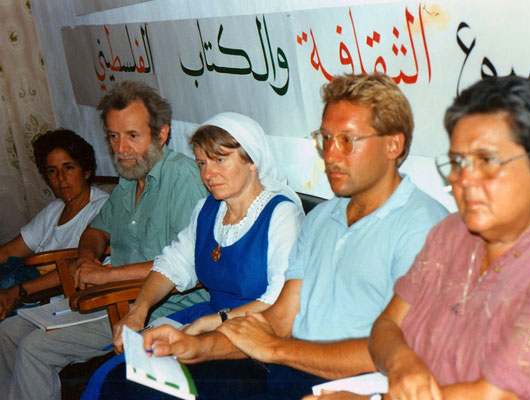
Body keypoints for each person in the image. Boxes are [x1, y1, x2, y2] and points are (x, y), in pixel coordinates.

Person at [107, 73, 448, 400]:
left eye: (347, 141)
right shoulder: (323, 220)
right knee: (127, 384)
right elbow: (281, 318)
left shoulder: (425, 227)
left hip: (353, 385)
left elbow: (403, 346)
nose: (329, 155)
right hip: (288, 368)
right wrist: (198, 346)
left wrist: (272, 348)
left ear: (393, 144)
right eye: (325, 139)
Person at [313, 76, 530, 400]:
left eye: (487, 161)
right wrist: (401, 363)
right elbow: (385, 328)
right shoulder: (451, 233)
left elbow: (496, 395)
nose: (464, 180)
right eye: (458, 162)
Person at [0, 81, 209, 400]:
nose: (121, 149)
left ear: (161, 134)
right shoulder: (130, 177)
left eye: (132, 136)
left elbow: (188, 262)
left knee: (33, 349)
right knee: (7, 333)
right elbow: (96, 231)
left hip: (161, 308)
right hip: (113, 298)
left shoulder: (183, 179)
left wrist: (106, 274)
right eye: (114, 137)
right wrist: (87, 258)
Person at [84, 112, 305, 398]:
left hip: (259, 341)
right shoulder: (207, 210)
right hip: (211, 321)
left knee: (154, 389)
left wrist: (210, 323)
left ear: (252, 161)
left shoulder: (281, 215)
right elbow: (172, 263)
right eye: (202, 163)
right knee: (114, 375)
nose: (207, 174)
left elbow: (279, 301)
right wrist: (138, 311)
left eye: (219, 160)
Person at [0, 129, 109, 319]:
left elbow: (80, 265)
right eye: (52, 171)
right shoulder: (55, 209)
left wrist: (17, 292)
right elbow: (9, 252)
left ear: (86, 171)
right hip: (29, 292)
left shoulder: (102, 209)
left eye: (68, 167)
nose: (60, 178)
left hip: (59, 301)